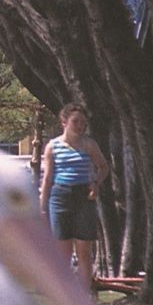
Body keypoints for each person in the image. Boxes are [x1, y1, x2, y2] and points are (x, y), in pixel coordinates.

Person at [39, 102, 112, 293]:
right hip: (60, 195)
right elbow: (47, 178)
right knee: (63, 252)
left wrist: (96, 183)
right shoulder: (53, 147)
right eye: (75, 121)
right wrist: (42, 205)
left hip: (83, 196)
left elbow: (103, 167)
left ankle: (85, 294)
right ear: (64, 122)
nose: (80, 126)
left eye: (83, 122)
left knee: (84, 251)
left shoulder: (89, 144)